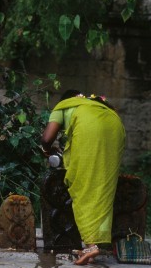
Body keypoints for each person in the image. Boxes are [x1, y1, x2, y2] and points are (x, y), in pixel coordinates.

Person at [41, 90, 125, 265]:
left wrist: (46, 150)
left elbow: (47, 138)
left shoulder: (63, 106)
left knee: (82, 187)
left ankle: (92, 246)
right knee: (102, 188)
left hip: (91, 132)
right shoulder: (96, 105)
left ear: (67, 100)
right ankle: (92, 244)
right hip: (116, 128)